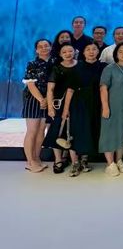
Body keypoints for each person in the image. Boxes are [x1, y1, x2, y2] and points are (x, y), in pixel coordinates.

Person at [68, 42, 107, 173]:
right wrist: (66, 109)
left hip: (96, 102)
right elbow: (70, 90)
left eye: (94, 49)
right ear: (83, 52)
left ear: (98, 52)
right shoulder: (77, 66)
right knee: (76, 131)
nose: (91, 52)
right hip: (79, 103)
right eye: (88, 49)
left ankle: (84, 160)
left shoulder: (103, 67)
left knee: (90, 130)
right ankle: (75, 163)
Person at [99, 43, 123, 177]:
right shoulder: (109, 68)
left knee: (122, 132)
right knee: (109, 133)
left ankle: (119, 160)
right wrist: (105, 106)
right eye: (120, 51)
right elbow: (103, 88)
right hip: (112, 106)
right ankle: (110, 163)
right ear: (115, 54)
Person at [43, 44, 80, 175]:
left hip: (78, 103)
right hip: (59, 104)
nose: (68, 54)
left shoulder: (80, 66)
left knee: (74, 131)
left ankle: (74, 161)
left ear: (75, 52)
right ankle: (58, 160)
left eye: (70, 51)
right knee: (56, 131)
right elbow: (50, 90)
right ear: (60, 54)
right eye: (64, 52)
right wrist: (50, 108)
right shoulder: (56, 68)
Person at [21, 39, 53, 173]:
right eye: (40, 46)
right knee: (32, 130)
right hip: (34, 99)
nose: (44, 48)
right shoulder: (32, 64)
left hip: (49, 99)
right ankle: (30, 161)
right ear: (36, 50)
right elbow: (30, 84)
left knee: (41, 130)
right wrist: (41, 99)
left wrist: (47, 99)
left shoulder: (55, 62)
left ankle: (36, 157)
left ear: (51, 47)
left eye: (46, 46)